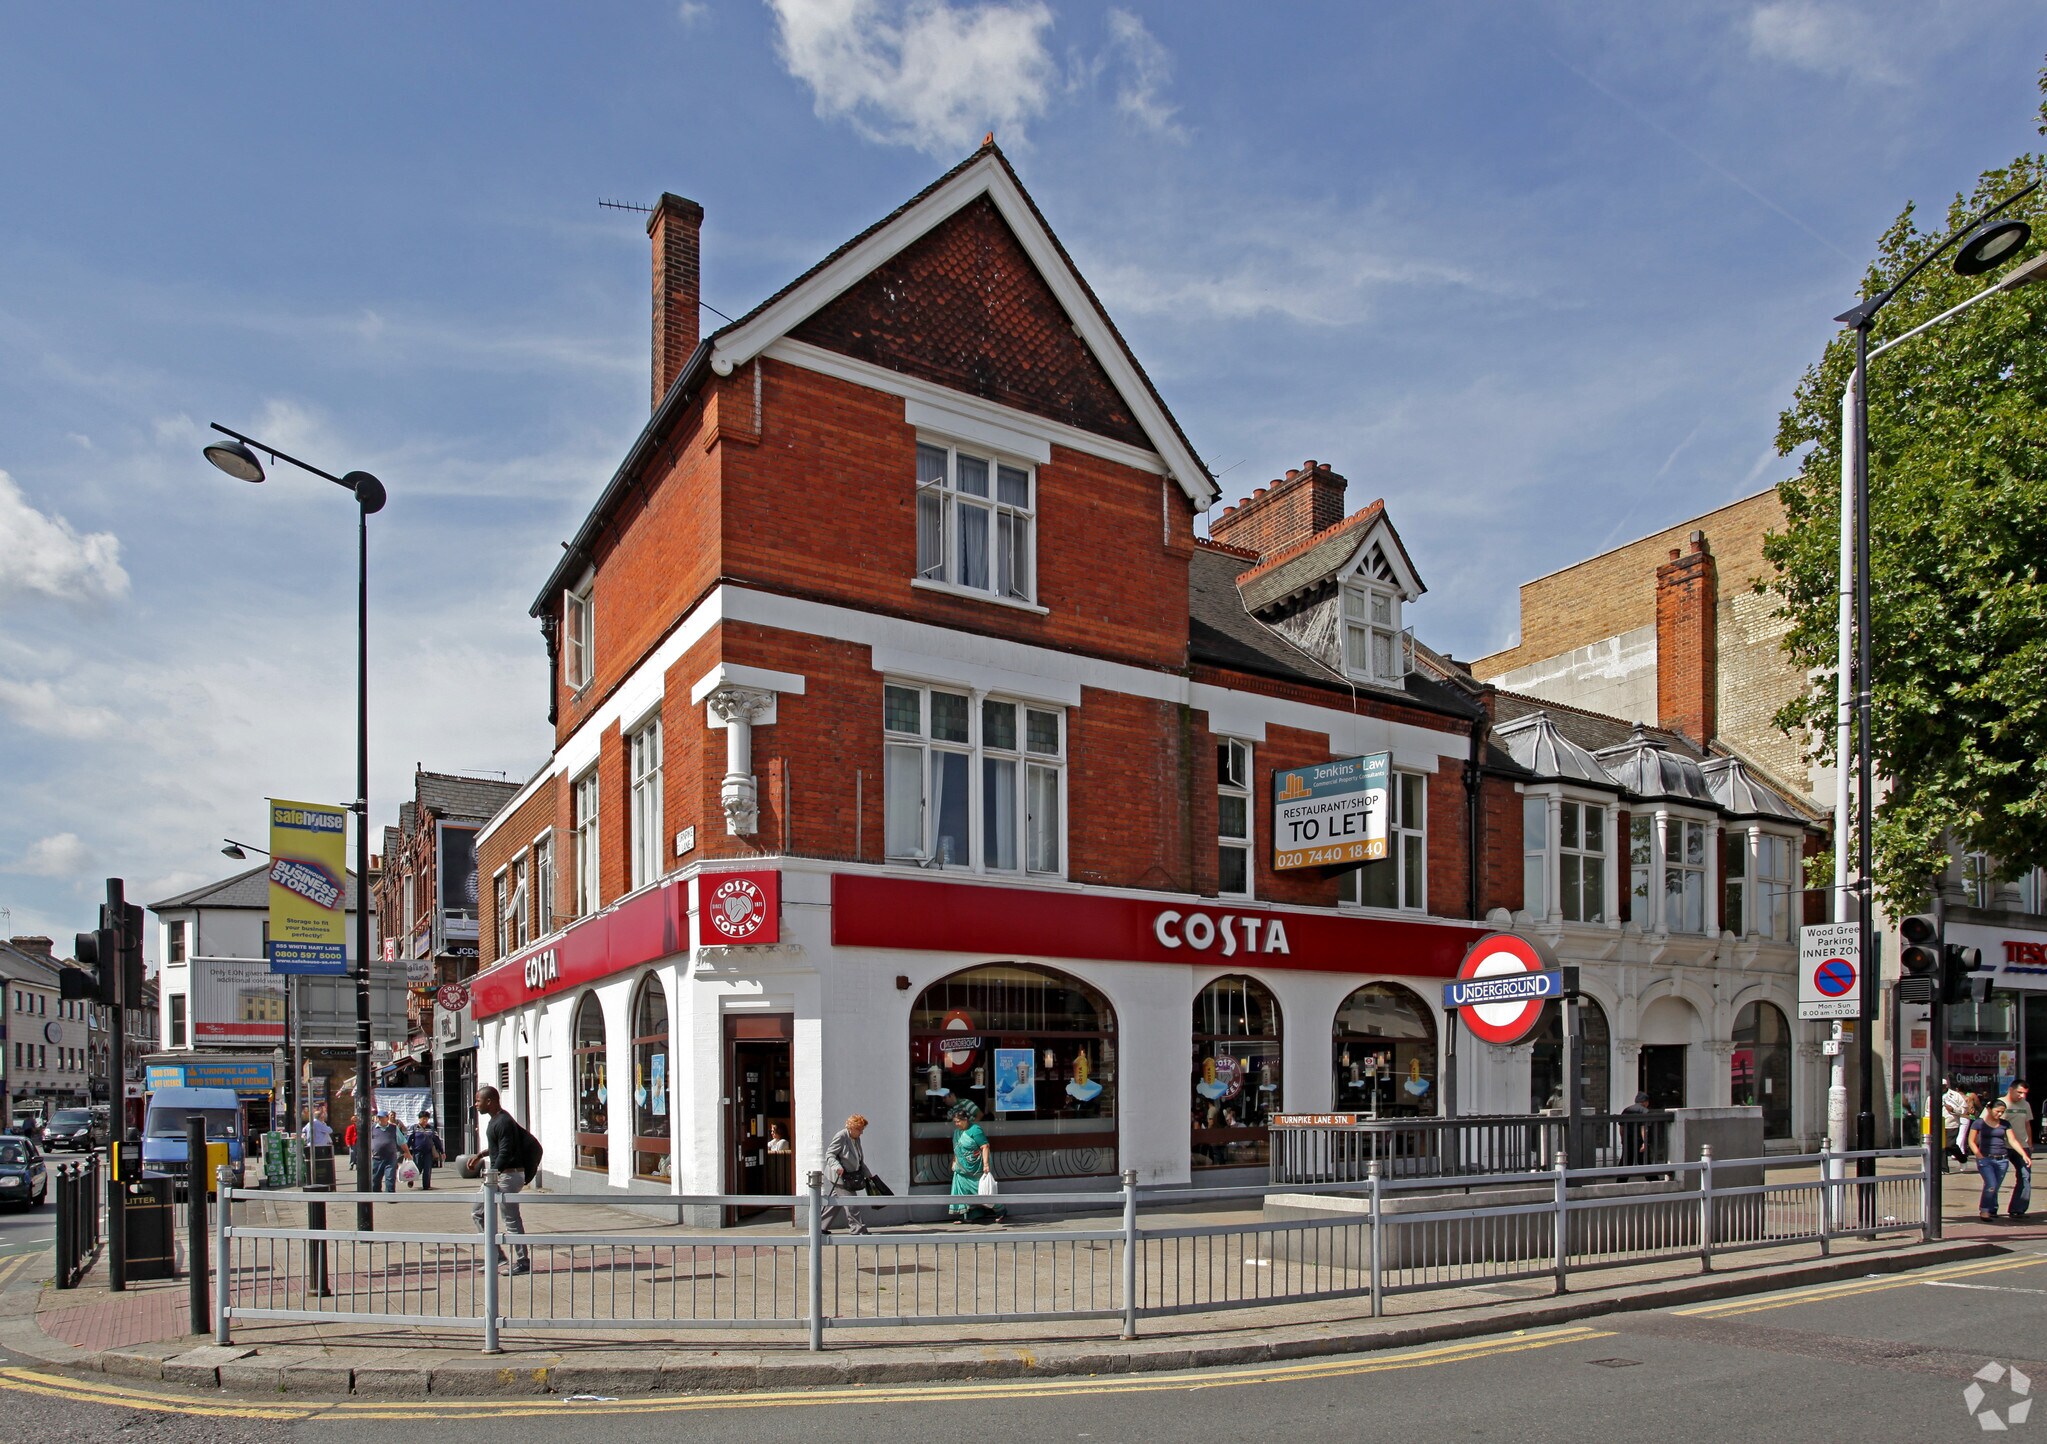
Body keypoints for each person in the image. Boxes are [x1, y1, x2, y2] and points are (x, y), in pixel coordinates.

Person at [467, 1086, 531, 1274]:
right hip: (502, 1175)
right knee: (478, 1212)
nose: (475, 1104)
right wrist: (480, 1155)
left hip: (508, 1176)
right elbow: (498, 1148)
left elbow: (505, 1151)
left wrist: (492, 1174)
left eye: (478, 1100)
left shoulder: (503, 1121)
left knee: (510, 1219)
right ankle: (497, 1257)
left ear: (490, 1101)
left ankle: (522, 1262)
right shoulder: (497, 1121)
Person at [1969, 1099, 2033, 1223]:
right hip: (1986, 1159)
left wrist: (2024, 1154)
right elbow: (1971, 1141)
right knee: (1991, 1184)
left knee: (1994, 1186)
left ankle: (1990, 1208)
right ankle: (1985, 1209)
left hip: (2002, 1159)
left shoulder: (2005, 1124)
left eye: (2002, 1112)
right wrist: (1978, 1154)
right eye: (1997, 1111)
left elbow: (2012, 1140)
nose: (1999, 1114)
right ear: (1989, 1109)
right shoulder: (1979, 1123)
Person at [947, 1100, 1002, 1224]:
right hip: (961, 1169)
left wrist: (986, 1165)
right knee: (962, 1191)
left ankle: (1001, 1210)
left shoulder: (975, 1130)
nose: (956, 1124)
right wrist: (954, 1162)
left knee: (982, 1190)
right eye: (954, 1122)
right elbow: (957, 1149)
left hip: (976, 1168)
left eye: (958, 1121)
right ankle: (965, 1216)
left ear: (965, 1119)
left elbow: (985, 1146)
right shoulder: (957, 1132)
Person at [821, 1114, 873, 1235]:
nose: (861, 1133)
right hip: (840, 1177)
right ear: (851, 1127)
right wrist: (837, 1167)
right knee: (851, 1201)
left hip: (849, 1176)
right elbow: (830, 1154)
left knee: (835, 1203)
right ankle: (857, 1228)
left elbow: (859, 1159)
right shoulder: (841, 1136)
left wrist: (868, 1174)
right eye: (859, 1129)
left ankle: (819, 1226)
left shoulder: (856, 1138)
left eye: (862, 1129)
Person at [2002, 1082, 2033, 1219]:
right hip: (2002, 1146)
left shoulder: (2025, 1105)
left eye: (2025, 1093)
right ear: (2011, 1090)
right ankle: (1989, 1208)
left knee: (2025, 1176)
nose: (2022, 1096)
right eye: (2019, 1092)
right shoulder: (1999, 1103)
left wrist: (2030, 1144)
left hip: (2022, 1146)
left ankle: (2018, 1209)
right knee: (1995, 1179)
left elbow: (2027, 1124)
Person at [367, 1111, 406, 1193]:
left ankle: (390, 1196)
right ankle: (376, 1194)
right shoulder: (372, 1128)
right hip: (376, 1158)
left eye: (382, 1117)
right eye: (379, 1117)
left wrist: (407, 1153)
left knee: (390, 1177)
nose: (380, 1119)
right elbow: (367, 1142)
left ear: (387, 1118)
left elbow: (402, 1141)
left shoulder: (393, 1128)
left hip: (390, 1158)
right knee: (375, 1178)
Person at [406, 1111, 444, 1191]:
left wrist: (442, 1151)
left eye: (426, 1119)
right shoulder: (414, 1128)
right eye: (423, 1119)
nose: (425, 1120)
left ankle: (426, 1186)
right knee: (417, 1168)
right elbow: (409, 1140)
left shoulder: (431, 1128)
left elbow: (436, 1140)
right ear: (419, 1119)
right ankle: (411, 1179)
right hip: (417, 1152)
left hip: (428, 1152)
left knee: (427, 1169)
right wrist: (406, 1151)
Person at [1941, 1080, 1971, 1172]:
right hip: (1938, 1124)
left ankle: (1962, 1159)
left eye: (1942, 1086)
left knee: (1949, 1145)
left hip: (1951, 1123)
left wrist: (1953, 1109)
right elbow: (1928, 1110)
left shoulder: (1955, 1095)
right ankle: (1943, 1168)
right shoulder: (1932, 1096)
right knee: (1941, 1147)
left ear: (1946, 1086)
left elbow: (1964, 1109)